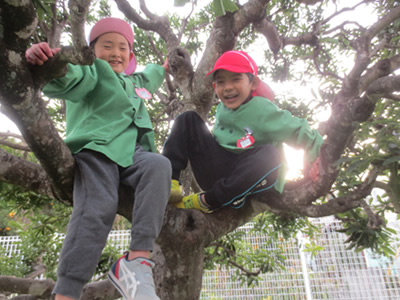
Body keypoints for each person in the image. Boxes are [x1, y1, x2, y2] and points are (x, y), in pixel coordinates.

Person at [25, 17, 171, 300]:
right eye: (107, 46)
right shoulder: (93, 70)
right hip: (97, 150)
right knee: (98, 206)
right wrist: (45, 62)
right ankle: (67, 291)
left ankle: (137, 260)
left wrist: (163, 68)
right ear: (91, 51)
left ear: (130, 56)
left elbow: (151, 76)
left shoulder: (134, 81)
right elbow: (65, 77)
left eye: (122, 48)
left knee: (159, 165)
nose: (116, 53)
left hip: (132, 154)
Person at [163, 50, 322, 213]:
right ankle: (168, 181)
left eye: (236, 79)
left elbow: (300, 130)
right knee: (187, 119)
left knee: (271, 154)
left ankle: (208, 200)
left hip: (253, 178)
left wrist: (315, 161)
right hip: (218, 172)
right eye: (221, 82)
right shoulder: (222, 108)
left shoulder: (262, 109)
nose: (228, 88)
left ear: (253, 83)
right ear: (214, 87)